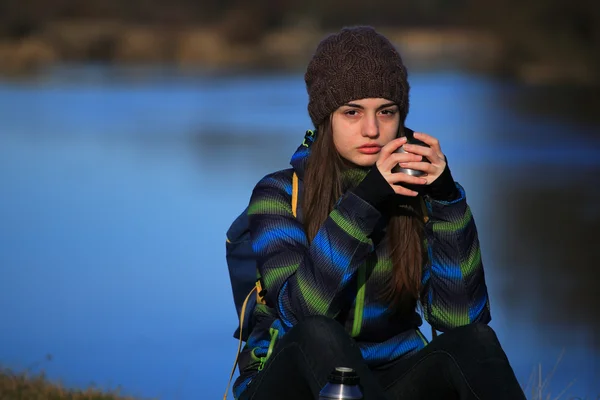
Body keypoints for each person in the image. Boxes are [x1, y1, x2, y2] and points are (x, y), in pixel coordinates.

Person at [232, 26, 525, 400]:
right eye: (352, 112)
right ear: (326, 118)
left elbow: (462, 321)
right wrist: (365, 202)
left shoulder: (413, 195)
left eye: (386, 112)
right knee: (320, 333)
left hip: (389, 379)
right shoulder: (278, 194)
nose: (372, 129)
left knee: (475, 342)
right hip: (292, 379)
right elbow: (300, 315)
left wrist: (447, 201)